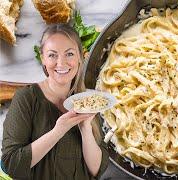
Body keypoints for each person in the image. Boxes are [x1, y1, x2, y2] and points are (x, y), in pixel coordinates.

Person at [1, 24, 109, 180]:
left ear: (80, 57)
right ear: (43, 58)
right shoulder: (26, 98)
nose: (61, 63)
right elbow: (11, 164)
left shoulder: (88, 101)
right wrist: (58, 131)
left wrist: (86, 129)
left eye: (69, 54)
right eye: (52, 55)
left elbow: (96, 170)